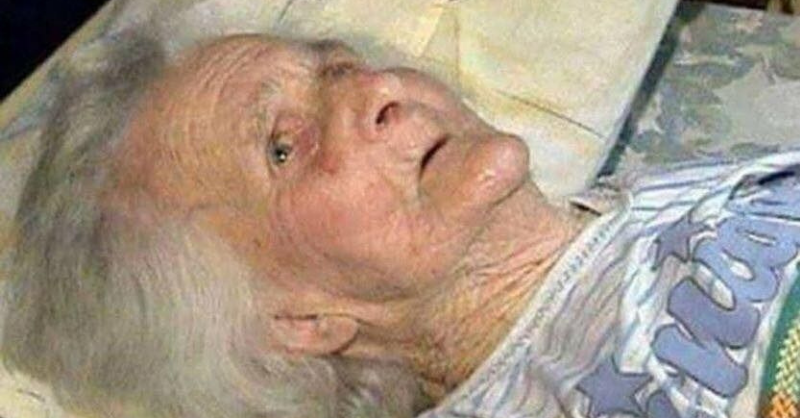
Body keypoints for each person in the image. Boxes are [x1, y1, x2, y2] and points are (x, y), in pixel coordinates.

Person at [2, 32, 799, 418]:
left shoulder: (635, 214)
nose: (375, 87)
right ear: (302, 322)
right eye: (282, 148)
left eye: (335, 67)